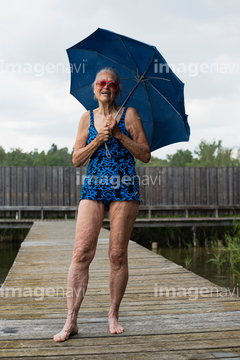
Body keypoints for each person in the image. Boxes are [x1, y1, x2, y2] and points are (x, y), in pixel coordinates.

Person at [53, 67, 151, 342]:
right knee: (82, 252)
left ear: (118, 89)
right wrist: (98, 138)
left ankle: (113, 314)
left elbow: (145, 155)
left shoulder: (129, 114)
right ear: (94, 89)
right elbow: (76, 159)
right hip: (94, 187)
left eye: (111, 83)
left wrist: (120, 135)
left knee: (117, 254)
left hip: (124, 188)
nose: (106, 86)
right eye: (101, 82)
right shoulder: (86, 117)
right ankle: (71, 321)